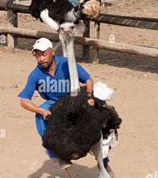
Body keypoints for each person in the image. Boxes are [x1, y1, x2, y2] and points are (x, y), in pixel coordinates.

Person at [18, 37, 111, 170]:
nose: (41, 59)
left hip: (74, 98)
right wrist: (41, 111)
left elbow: (88, 80)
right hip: (54, 104)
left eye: (44, 54)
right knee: (40, 115)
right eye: (37, 56)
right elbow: (24, 100)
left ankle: (103, 159)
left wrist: (89, 96)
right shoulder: (35, 74)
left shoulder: (67, 64)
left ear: (52, 52)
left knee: (97, 120)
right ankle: (56, 153)